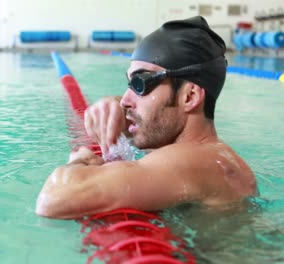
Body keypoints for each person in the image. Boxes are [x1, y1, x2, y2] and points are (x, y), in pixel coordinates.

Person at [36, 16, 257, 219]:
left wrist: (81, 159)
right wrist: (117, 114)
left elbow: (54, 199)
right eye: (128, 84)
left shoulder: (193, 160)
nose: (124, 100)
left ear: (189, 96)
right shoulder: (212, 155)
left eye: (141, 83)